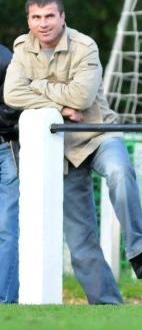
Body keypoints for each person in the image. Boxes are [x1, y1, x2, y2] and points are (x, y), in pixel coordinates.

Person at [4, 0, 142, 304]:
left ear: (63, 17)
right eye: (36, 17)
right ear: (28, 20)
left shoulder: (84, 45)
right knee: (81, 242)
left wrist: (37, 87)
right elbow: (13, 94)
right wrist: (61, 105)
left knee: (120, 171)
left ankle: (138, 250)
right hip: (61, 149)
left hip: (97, 134)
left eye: (50, 16)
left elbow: (81, 98)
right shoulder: (22, 48)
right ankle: (108, 307)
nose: (43, 24)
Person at [0, 44, 21, 304]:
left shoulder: (6, 60)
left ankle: (4, 299)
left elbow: (15, 105)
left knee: (7, 226)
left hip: (6, 148)